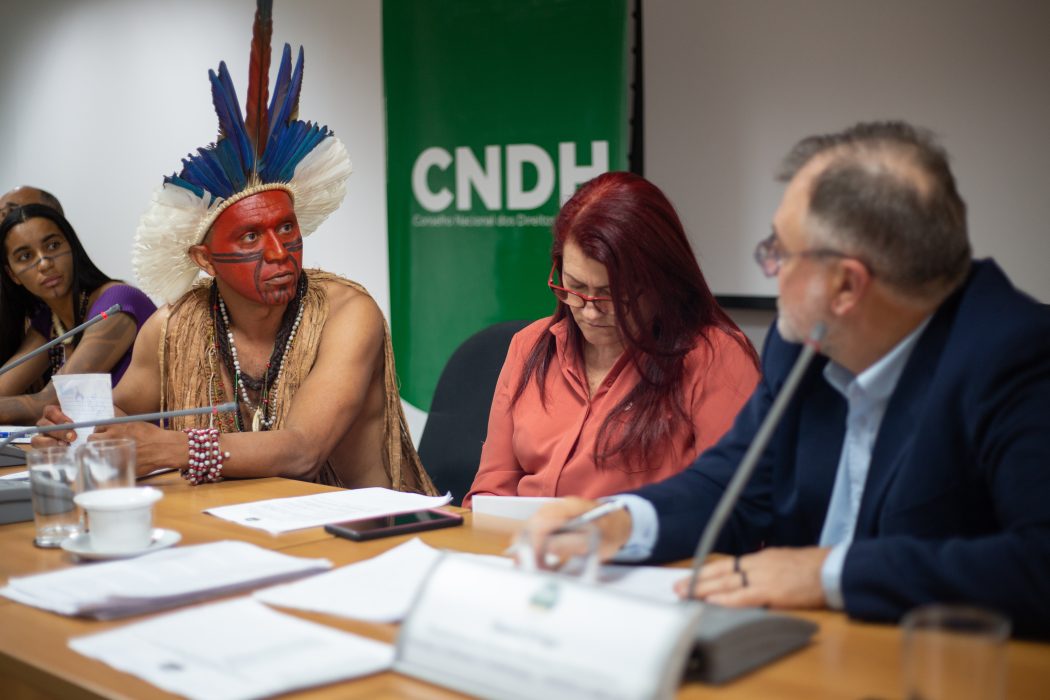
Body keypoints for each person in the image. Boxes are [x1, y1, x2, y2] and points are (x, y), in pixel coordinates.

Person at [526, 121, 1050, 637]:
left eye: (779, 252)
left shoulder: (1017, 356)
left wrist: (827, 574)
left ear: (846, 287)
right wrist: (619, 523)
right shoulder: (801, 346)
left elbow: (1038, 561)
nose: (770, 269)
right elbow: (732, 485)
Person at [34, 1, 436, 495]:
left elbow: (303, 451)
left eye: (286, 228)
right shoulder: (172, 327)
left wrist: (172, 448)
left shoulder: (347, 313)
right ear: (204, 258)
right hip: (238, 525)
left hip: (369, 527)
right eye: (250, 236)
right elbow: (120, 412)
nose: (279, 252)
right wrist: (79, 431)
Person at [464, 172, 759, 506]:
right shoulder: (528, 345)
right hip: (522, 540)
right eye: (575, 287)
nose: (590, 312)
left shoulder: (714, 358)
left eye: (612, 295)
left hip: (640, 540)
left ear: (662, 281)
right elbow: (490, 493)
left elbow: (734, 507)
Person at [0, 198, 156, 423]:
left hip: (158, 440)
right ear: (12, 274)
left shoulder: (117, 304)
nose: (44, 263)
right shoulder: (49, 321)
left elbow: (49, 402)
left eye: (53, 246)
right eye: (25, 256)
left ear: (72, 247)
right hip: (99, 442)